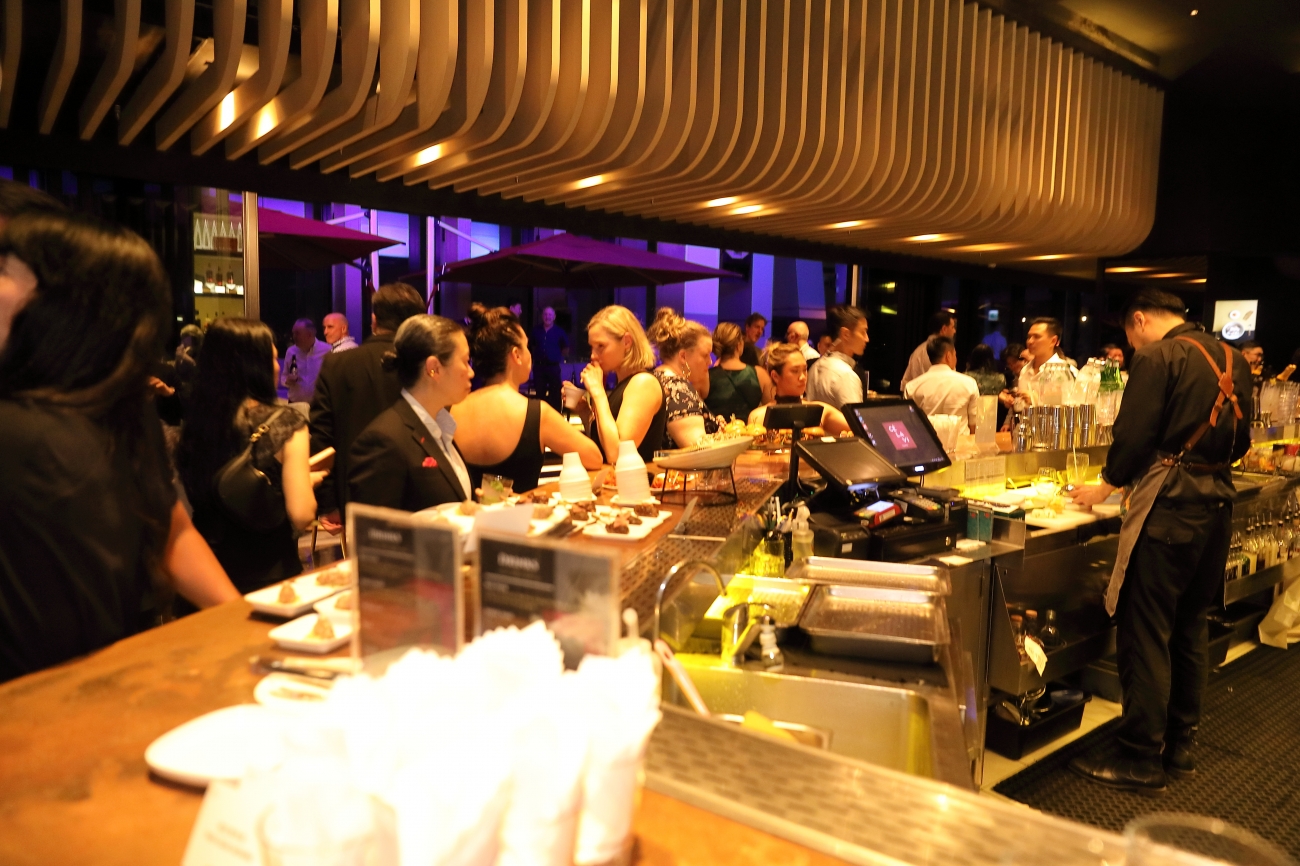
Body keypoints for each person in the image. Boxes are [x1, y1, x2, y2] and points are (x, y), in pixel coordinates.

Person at [1, 208, 238, 682]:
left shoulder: (111, 411)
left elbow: (169, 526)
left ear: (58, 306)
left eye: (5, 267)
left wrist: (240, 624)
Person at [1068, 289, 1252, 797]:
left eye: (1130, 336)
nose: (1132, 345)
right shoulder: (1233, 358)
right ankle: (1180, 746)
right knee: (1189, 626)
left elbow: (1133, 435)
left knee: (1146, 631)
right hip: (1217, 507)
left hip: (1169, 508)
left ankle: (1140, 757)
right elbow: (1242, 442)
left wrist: (1107, 484)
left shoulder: (1157, 356)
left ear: (1140, 320)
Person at [179, 318, 323, 593]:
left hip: (203, 573)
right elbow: (302, 514)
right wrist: (306, 482)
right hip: (267, 576)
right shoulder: (286, 423)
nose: (277, 365)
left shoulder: (196, 422)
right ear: (253, 366)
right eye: (271, 357)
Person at [310, 282, 426, 527]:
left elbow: (322, 437)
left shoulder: (336, 364)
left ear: (374, 320)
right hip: (420, 493)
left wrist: (329, 503)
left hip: (354, 492)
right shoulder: (428, 366)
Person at [454, 304, 602, 493]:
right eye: (526, 346)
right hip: (521, 512)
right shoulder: (537, 414)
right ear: (516, 355)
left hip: (464, 512)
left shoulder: (452, 410)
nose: (530, 353)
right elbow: (594, 458)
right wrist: (588, 411)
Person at [349, 315, 474, 511]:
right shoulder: (384, 440)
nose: (471, 372)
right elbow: (375, 527)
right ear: (434, 369)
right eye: (465, 361)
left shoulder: (440, 426)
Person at [570, 305, 666, 464]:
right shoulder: (624, 383)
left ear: (627, 342)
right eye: (592, 347)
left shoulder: (643, 383)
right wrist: (584, 412)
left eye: (601, 346)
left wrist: (598, 391)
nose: (593, 355)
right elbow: (603, 443)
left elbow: (617, 454)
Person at [646, 308, 719, 450]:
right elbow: (699, 448)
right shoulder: (677, 388)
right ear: (683, 356)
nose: (710, 362)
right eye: (705, 355)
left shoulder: (656, 377)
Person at [748, 343, 850, 435]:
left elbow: (858, 427)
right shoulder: (758, 417)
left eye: (805, 370)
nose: (803, 377)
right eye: (795, 371)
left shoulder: (820, 410)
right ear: (775, 376)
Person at [903, 336, 980, 431]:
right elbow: (974, 426)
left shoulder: (912, 387)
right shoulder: (969, 383)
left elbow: (910, 424)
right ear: (948, 356)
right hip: (961, 440)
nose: (956, 359)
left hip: (926, 440)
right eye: (955, 355)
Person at [806, 304, 869, 410]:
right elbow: (852, 420)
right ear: (846, 334)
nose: (867, 339)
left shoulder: (815, 366)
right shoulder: (846, 375)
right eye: (863, 332)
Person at [707, 322, 772, 422]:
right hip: (751, 430)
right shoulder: (759, 374)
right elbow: (771, 408)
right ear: (739, 345)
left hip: (717, 431)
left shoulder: (706, 376)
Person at [1019, 316, 1076, 404]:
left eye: (1037, 337)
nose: (1030, 341)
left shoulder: (1067, 372)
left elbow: (1073, 406)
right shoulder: (1025, 370)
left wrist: (1036, 400)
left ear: (1053, 341)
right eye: (1029, 337)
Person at [900, 311, 957, 390]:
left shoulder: (918, 351)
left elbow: (905, 385)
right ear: (944, 329)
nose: (954, 331)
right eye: (952, 327)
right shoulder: (944, 351)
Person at [280, 317, 331, 403]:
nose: (293, 337)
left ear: (309, 334)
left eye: (297, 333)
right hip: (295, 403)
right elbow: (283, 377)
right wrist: (287, 381)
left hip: (318, 404)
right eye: (293, 333)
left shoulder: (327, 350)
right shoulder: (291, 351)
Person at [530, 305, 569, 412]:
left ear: (554, 317)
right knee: (539, 393)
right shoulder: (536, 330)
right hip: (539, 367)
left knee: (555, 394)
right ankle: (540, 416)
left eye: (550, 315)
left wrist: (556, 355)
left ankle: (556, 416)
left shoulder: (560, 331)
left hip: (553, 367)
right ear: (542, 316)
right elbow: (531, 346)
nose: (548, 317)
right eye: (546, 314)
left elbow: (565, 348)